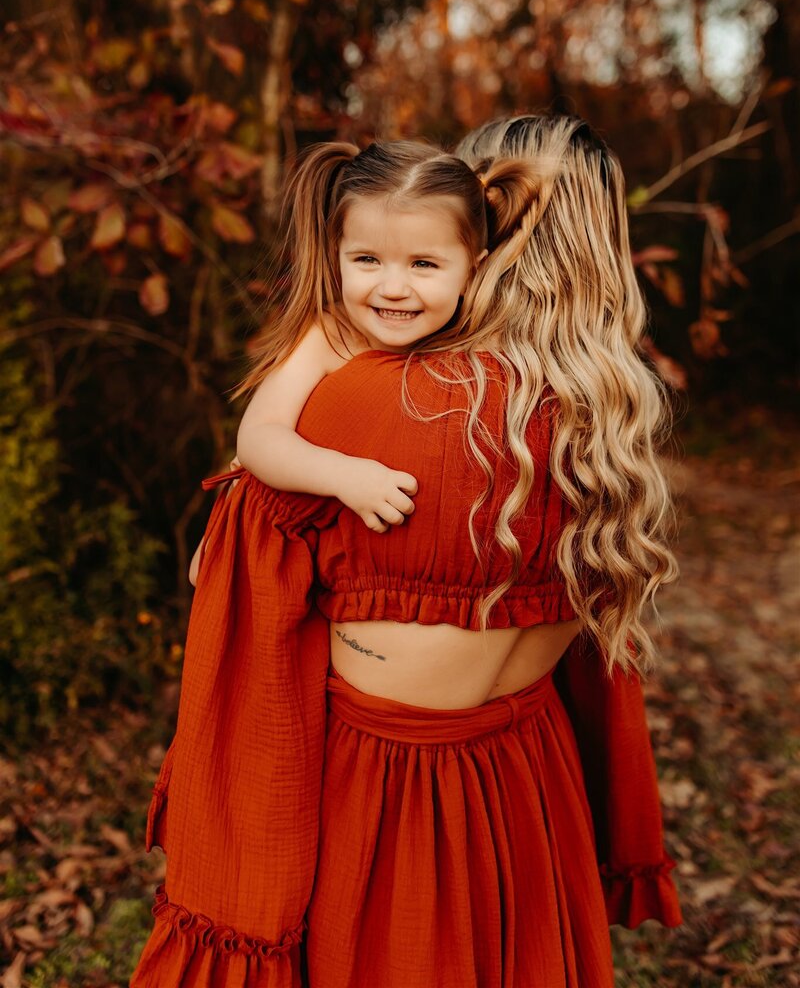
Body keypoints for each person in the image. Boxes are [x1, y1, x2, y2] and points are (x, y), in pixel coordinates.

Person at [131, 122, 682, 988]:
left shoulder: (375, 402)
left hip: (389, 790)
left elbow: (230, 578)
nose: (396, 284)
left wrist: (243, 503)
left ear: (485, 238)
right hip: (530, 782)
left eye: (428, 256)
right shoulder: (607, 424)